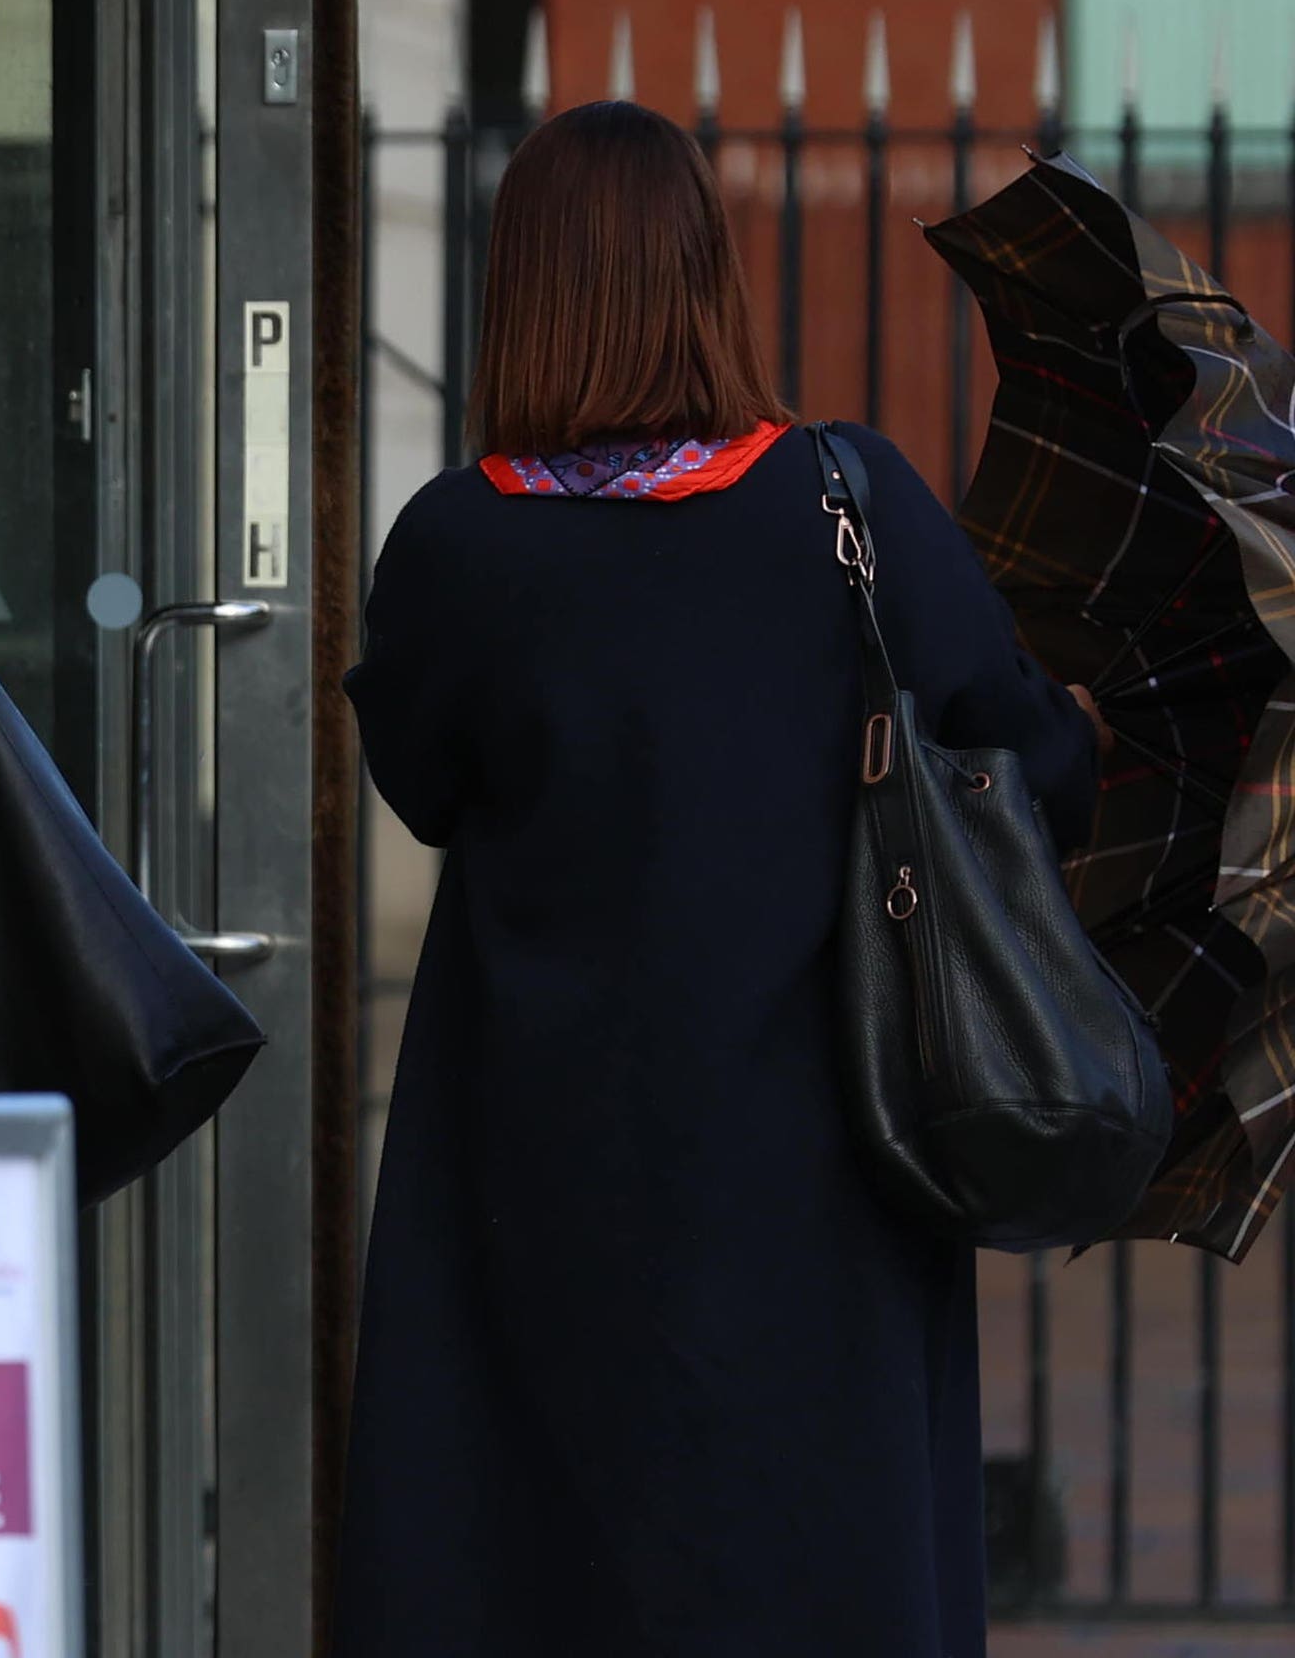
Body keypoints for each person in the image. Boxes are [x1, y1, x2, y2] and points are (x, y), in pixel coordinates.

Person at [337, 101, 1101, 1657]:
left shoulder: (459, 544)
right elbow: (1041, 783)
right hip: (830, 1164)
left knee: (540, 1562)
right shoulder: (852, 507)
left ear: (524, 285)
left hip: (539, 1172)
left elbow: (417, 784)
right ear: (708, 273)